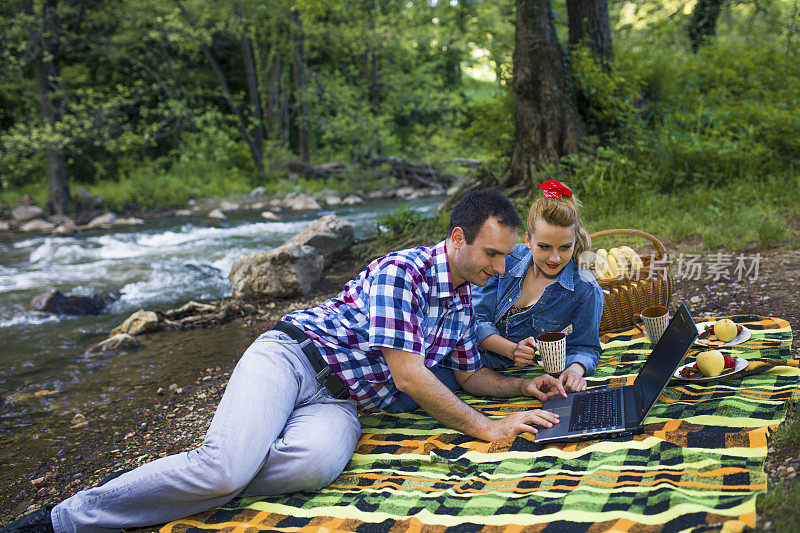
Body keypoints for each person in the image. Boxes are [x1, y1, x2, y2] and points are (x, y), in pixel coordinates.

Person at [3, 189, 566, 533]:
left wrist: (521, 390)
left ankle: (213, 469)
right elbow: (409, 375)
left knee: (309, 469)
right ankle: (63, 520)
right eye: (491, 253)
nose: (498, 266)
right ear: (457, 238)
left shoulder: (466, 297)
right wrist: (487, 429)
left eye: (505, 256)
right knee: (226, 467)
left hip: (342, 401)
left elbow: (469, 373)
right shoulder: (404, 272)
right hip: (293, 358)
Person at [472, 180, 604, 392]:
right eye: (544, 246)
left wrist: (575, 370)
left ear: (574, 242)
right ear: (528, 239)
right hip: (458, 349)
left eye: (565, 247)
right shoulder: (505, 259)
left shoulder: (585, 290)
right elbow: (474, 317)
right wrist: (510, 349)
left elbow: (586, 347)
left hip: (493, 378)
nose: (555, 258)